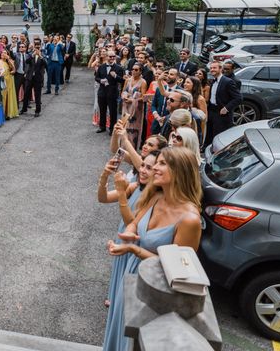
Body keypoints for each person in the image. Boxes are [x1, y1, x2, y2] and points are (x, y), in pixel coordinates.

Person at [103, 147, 203, 351]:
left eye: (162, 164)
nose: (155, 168)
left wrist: (135, 250)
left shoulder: (189, 220)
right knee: (120, 328)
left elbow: (179, 273)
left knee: (134, 341)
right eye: (157, 163)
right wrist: (130, 233)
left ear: (180, 171)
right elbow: (134, 222)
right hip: (132, 275)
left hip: (155, 291)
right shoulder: (157, 196)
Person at [98, 151, 159, 307]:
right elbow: (103, 198)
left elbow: (132, 222)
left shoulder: (154, 197)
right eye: (143, 165)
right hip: (124, 240)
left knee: (126, 300)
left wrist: (121, 193)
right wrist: (105, 175)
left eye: (149, 167)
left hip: (135, 246)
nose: (143, 170)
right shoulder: (136, 186)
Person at [206, 61, 242, 145]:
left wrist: (226, 108)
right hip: (211, 111)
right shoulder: (213, 81)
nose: (212, 70)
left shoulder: (228, 82)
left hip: (221, 113)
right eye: (211, 68)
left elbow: (238, 98)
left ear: (220, 69)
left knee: (218, 137)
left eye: (214, 68)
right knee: (209, 134)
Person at [95, 51, 125, 134]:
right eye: (110, 56)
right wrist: (101, 80)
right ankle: (102, 126)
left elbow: (122, 80)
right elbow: (96, 77)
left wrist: (115, 76)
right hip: (102, 92)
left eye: (113, 56)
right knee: (102, 110)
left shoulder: (118, 68)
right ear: (106, 57)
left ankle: (112, 129)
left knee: (113, 112)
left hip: (112, 93)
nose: (112, 58)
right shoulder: (101, 66)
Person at [121, 64, 148, 149]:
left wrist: (133, 100)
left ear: (140, 71)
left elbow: (143, 97)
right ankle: (124, 144)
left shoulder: (143, 82)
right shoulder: (128, 80)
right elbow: (123, 91)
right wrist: (124, 96)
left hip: (136, 109)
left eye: (136, 70)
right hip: (126, 106)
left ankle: (132, 146)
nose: (133, 71)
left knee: (134, 127)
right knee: (125, 124)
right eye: (132, 69)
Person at [21, 42, 47, 117]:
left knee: (37, 95)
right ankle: (24, 108)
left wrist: (41, 56)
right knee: (26, 94)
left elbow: (46, 64)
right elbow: (27, 61)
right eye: (36, 47)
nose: (37, 49)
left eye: (38, 47)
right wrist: (32, 55)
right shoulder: (31, 54)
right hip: (29, 78)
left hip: (38, 79)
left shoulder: (43, 55)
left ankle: (37, 111)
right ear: (34, 47)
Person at [0, 50, 19, 119]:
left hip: (9, 80)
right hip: (2, 80)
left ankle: (8, 113)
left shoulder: (10, 61)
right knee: (2, 96)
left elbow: (14, 70)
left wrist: (8, 59)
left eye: (5, 53)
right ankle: (2, 113)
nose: (3, 54)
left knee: (8, 96)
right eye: (2, 52)